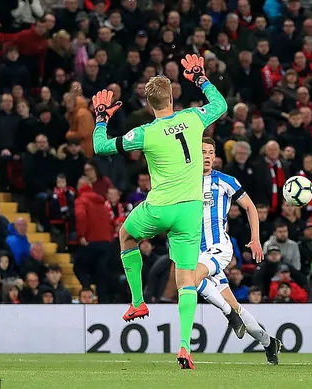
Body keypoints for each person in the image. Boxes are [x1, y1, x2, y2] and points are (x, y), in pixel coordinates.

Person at [91, 54, 227, 369]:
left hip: (159, 207)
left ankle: (138, 302)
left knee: (126, 236)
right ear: (172, 97)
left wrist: (101, 118)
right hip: (191, 211)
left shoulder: (145, 132)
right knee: (186, 279)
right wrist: (201, 78)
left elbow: (101, 147)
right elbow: (220, 105)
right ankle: (184, 348)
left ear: (149, 103)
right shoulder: (194, 117)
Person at [196, 138, 282, 364]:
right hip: (195, 252)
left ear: (215, 157)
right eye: (202, 151)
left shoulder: (225, 181)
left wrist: (255, 239)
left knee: (191, 278)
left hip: (218, 248)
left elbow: (251, 207)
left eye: (210, 152)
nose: (206, 155)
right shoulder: (184, 182)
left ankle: (228, 314)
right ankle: (268, 342)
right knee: (235, 304)